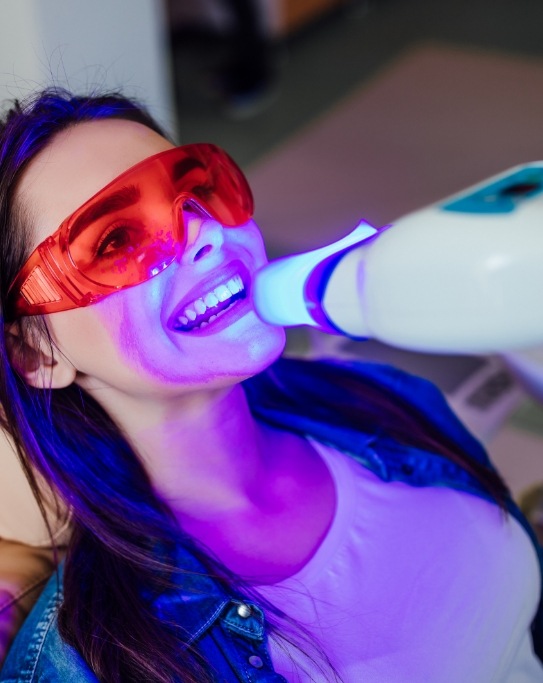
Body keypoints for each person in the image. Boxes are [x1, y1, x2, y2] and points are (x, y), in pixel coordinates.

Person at [0, 89, 541, 683]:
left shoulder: (381, 397)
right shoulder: (90, 664)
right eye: (116, 241)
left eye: (197, 191)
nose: (203, 235)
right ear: (36, 353)